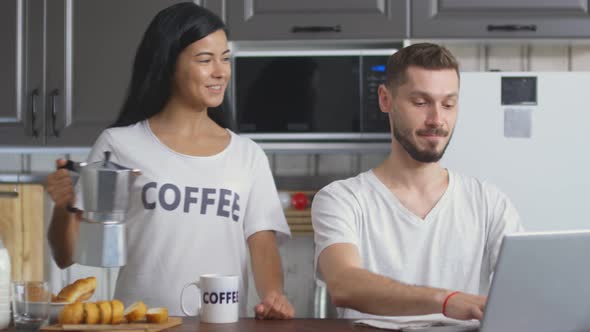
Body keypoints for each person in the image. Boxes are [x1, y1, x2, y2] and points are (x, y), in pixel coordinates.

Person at [45, 2, 294, 319]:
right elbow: (66, 255)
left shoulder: (247, 154)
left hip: (221, 326)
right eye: (205, 60)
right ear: (168, 65)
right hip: (141, 324)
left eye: (225, 59)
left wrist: (274, 296)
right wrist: (63, 207)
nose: (220, 71)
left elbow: (262, 243)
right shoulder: (119, 145)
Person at [311, 43, 523, 322]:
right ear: (385, 100)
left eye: (448, 104)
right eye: (421, 102)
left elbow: (524, 288)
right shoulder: (342, 199)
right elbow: (344, 284)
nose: (437, 120)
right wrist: (446, 301)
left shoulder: (489, 203)